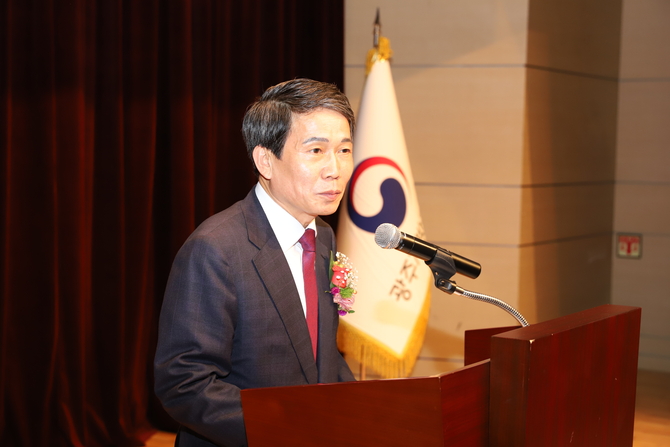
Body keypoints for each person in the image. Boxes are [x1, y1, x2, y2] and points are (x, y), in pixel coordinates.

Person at [154, 78, 356, 447]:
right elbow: (184, 383)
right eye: (316, 150)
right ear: (265, 160)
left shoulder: (323, 236)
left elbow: (320, 358)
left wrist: (366, 414)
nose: (335, 169)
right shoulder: (216, 249)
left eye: (344, 150)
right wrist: (292, 430)